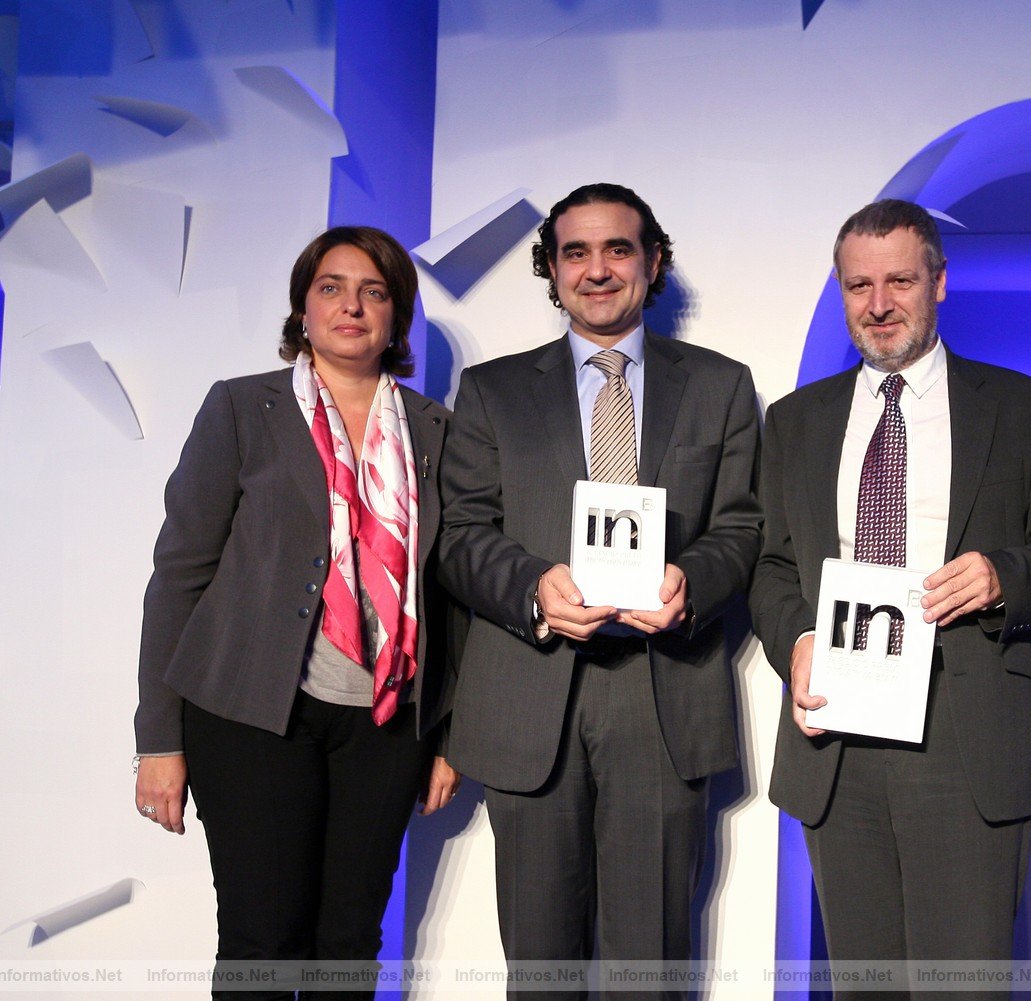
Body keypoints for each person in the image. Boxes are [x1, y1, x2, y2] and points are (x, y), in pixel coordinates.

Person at [749, 198, 1031, 995]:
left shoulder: (1021, 406)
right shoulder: (795, 421)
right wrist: (797, 641)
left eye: (900, 280)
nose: (879, 304)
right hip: (839, 735)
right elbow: (771, 566)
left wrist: (1004, 576)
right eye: (859, 286)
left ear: (939, 281)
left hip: (966, 734)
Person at [436, 183, 761, 989]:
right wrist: (531, 589)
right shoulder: (492, 391)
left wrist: (693, 578)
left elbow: (745, 528)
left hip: (663, 696)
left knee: (647, 966)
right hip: (530, 692)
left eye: (618, 248)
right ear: (551, 268)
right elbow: (460, 533)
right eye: (575, 251)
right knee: (541, 967)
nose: (598, 268)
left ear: (653, 263)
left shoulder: (720, 386)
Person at [133, 225, 465, 1000]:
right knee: (262, 938)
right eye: (331, 287)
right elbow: (180, 573)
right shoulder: (243, 407)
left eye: (374, 291)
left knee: (348, 944)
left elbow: (452, 593)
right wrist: (158, 737)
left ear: (397, 315)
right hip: (249, 714)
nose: (352, 305)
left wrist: (450, 732)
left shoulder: (438, 433)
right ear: (303, 309)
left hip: (386, 722)